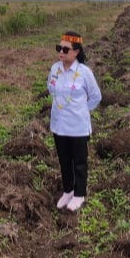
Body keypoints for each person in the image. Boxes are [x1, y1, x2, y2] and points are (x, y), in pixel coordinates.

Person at [47, 31, 102, 212]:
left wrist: (82, 111)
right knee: (64, 160)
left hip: (77, 126)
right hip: (59, 124)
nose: (61, 52)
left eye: (65, 49)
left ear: (76, 51)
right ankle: (68, 190)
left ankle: (79, 194)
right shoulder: (55, 69)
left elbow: (95, 97)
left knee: (79, 162)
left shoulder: (84, 73)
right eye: (59, 48)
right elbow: (51, 89)